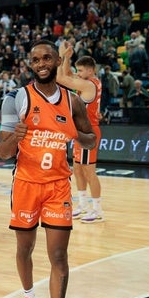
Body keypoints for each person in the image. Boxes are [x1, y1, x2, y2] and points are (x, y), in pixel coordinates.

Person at [0, 39, 96, 298]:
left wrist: (75, 135)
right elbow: (2, 152)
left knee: (58, 256)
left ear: (56, 61)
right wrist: (17, 136)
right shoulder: (16, 99)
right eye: (36, 58)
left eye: (47, 57)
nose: (41, 62)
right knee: (24, 249)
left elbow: (92, 137)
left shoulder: (73, 101)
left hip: (57, 186)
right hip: (26, 184)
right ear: (30, 63)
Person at [57, 41, 104, 223]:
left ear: (90, 71)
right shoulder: (88, 82)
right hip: (80, 131)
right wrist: (67, 60)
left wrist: (63, 57)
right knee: (77, 169)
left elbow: (61, 78)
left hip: (88, 132)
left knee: (89, 171)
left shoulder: (89, 85)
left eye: (81, 71)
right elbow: (68, 74)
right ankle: (83, 205)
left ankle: (97, 210)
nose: (78, 74)